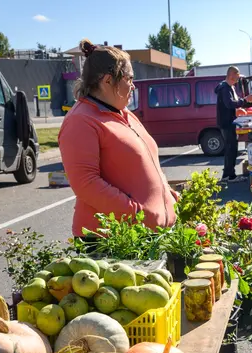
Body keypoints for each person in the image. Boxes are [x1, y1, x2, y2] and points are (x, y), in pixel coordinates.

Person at [58, 39, 177, 238]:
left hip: (143, 232)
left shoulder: (125, 114)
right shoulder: (80, 120)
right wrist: (137, 214)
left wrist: (168, 195)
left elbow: (149, 163)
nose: (133, 86)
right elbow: (86, 184)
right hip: (111, 239)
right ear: (107, 81)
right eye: (129, 78)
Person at [215, 66, 252, 183]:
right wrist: (245, 99)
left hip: (230, 122)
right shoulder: (225, 88)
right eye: (237, 76)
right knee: (230, 149)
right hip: (226, 123)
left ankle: (228, 175)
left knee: (232, 149)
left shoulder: (230, 87)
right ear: (232, 75)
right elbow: (230, 104)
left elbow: (238, 103)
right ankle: (229, 176)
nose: (238, 79)